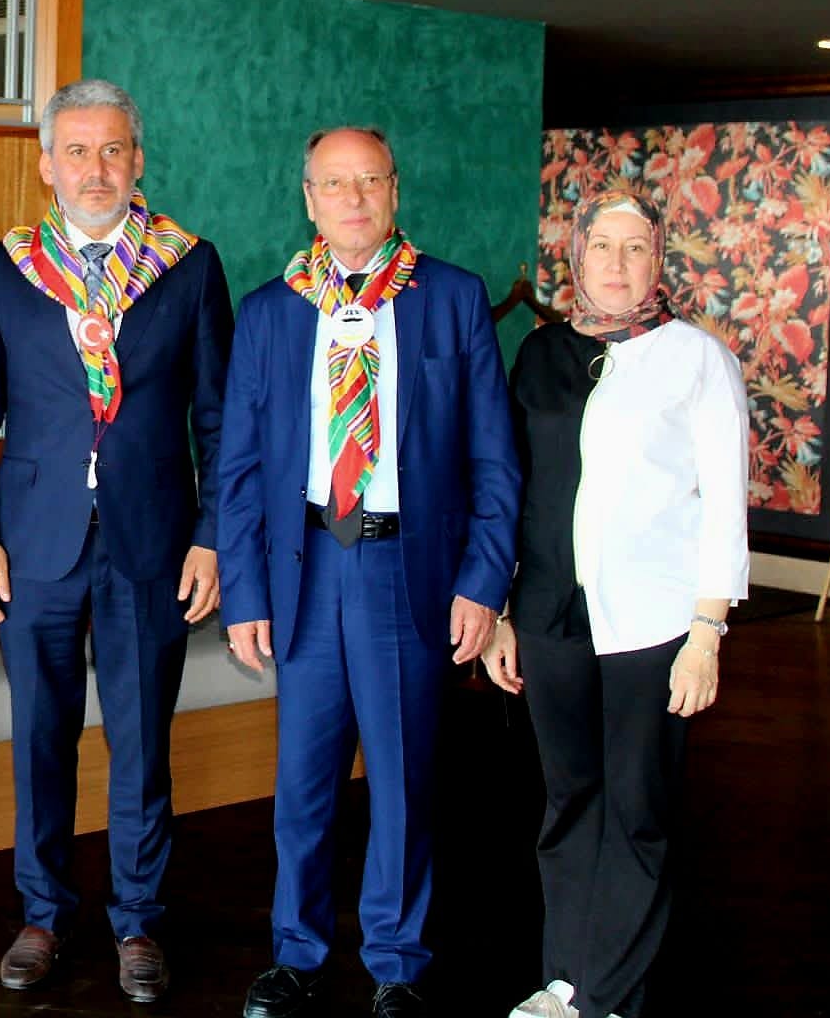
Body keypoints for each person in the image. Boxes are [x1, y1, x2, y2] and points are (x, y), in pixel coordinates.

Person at [217, 127, 521, 1018]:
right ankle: (296, 953)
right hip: (307, 569)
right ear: (308, 200)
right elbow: (238, 468)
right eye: (334, 183)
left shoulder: (452, 298)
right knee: (303, 784)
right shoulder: (270, 310)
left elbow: (494, 460)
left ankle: (396, 960)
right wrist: (244, 593)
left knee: (402, 780)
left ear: (394, 191)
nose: (352, 198)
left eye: (369, 180)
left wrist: (483, 582)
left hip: (407, 570)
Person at [0, 78, 231, 1004]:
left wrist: (212, 536)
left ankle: (138, 920)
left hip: (152, 542)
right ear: (47, 166)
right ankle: (43, 913)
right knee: (41, 738)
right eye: (76, 151)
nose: (96, 168)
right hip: (34, 542)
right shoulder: (9, 266)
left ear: (137, 160)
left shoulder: (189, 265)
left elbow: (219, 420)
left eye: (113, 150)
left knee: (141, 743)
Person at [482, 190, 748, 1018]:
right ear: (577, 254)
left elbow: (726, 504)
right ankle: (565, 982)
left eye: (636, 248)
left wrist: (706, 632)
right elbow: (514, 488)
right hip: (550, 612)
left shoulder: (698, 359)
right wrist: (500, 611)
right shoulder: (541, 353)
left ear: (658, 259)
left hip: (657, 623)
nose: (618, 263)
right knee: (570, 802)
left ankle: (607, 997)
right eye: (603, 245)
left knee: (637, 811)